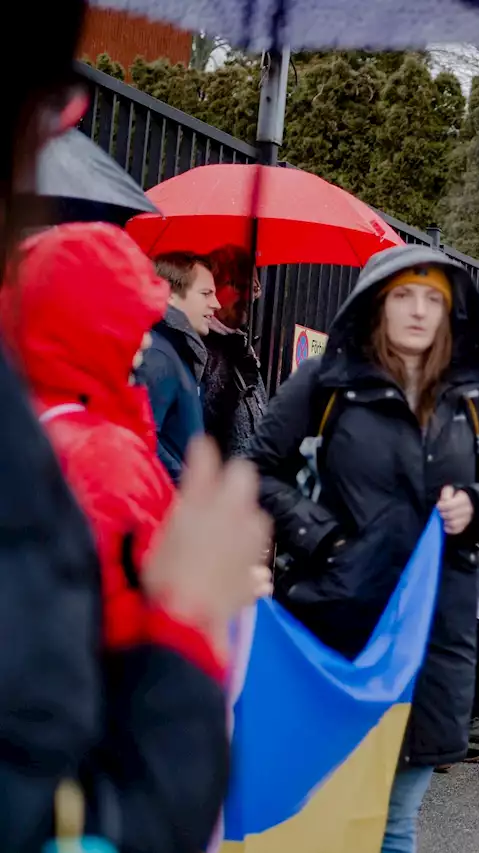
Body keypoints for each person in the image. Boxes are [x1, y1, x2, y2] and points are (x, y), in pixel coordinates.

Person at [1, 221, 271, 852]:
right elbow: (140, 602)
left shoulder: (35, 429)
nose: (141, 343)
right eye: (130, 321)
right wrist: (206, 597)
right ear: (96, 328)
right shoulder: (105, 452)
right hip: (110, 738)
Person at [246, 246, 479, 853]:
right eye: (404, 295)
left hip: (433, 636)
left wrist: (477, 508)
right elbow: (258, 470)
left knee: (393, 821)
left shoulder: (476, 399)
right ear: (377, 303)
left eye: (434, 299)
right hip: (332, 624)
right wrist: (319, 536)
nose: (419, 311)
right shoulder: (326, 382)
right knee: (311, 812)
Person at [136, 252, 218, 482]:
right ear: (169, 295)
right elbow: (145, 438)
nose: (216, 303)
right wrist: (186, 482)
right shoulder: (160, 354)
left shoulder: (174, 351)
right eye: (206, 293)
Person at [201, 244, 267, 460]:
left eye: (254, 287)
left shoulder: (243, 348)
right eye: (237, 286)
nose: (248, 296)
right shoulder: (201, 348)